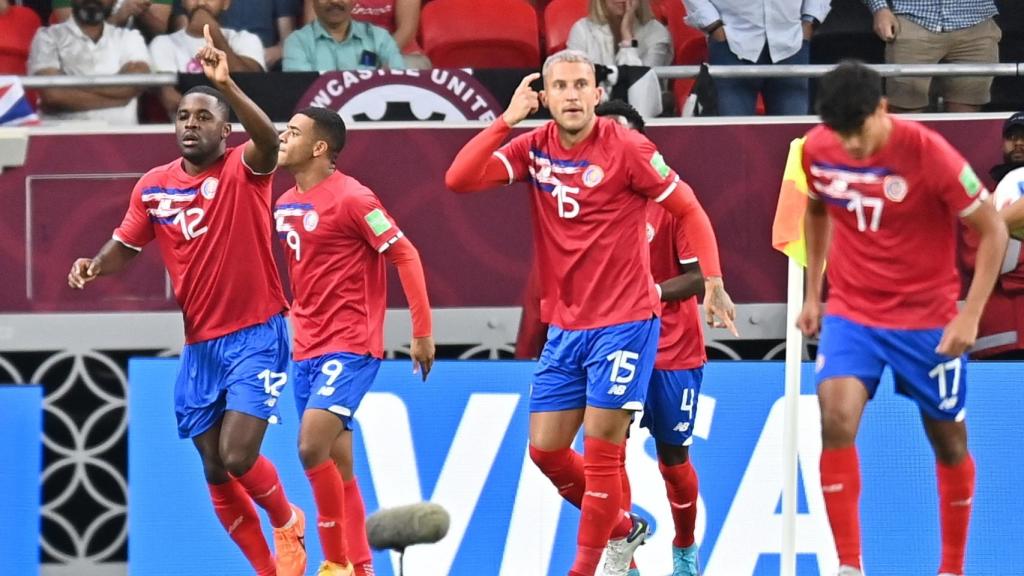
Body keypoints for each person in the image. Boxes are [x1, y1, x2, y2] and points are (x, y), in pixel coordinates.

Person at [445, 49, 736, 576]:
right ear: (546, 96)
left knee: (628, 457)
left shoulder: (627, 148)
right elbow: (459, 179)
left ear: (597, 94)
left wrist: (712, 281)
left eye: (582, 85)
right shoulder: (533, 147)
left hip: (627, 323)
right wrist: (507, 119)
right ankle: (625, 528)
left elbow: (689, 206)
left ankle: (620, 562)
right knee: (546, 453)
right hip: (567, 327)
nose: (572, 94)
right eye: (560, 86)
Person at [67, 26, 307, 576]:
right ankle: (269, 571)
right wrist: (96, 263)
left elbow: (269, 140)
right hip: (200, 345)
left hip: (257, 334)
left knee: (238, 456)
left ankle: (288, 519)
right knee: (215, 470)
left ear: (226, 130)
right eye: (183, 117)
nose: (191, 124)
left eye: (204, 117)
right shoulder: (153, 185)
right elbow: (126, 243)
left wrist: (229, 84)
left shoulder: (246, 170)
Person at [797, 60, 1007, 576]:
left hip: (927, 320)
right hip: (853, 311)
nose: (850, 145)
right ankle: (849, 566)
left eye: (859, 130)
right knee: (834, 417)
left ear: (883, 109)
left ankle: (952, 568)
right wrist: (813, 294)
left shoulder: (928, 153)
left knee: (949, 442)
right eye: (839, 132)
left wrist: (970, 315)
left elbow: (994, 231)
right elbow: (817, 210)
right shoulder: (818, 149)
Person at [274, 106, 436, 576]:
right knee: (339, 466)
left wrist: (421, 332)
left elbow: (406, 255)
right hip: (305, 346)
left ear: (320, 147)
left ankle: (337, 562)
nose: (283, 137)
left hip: (350, 345)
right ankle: (363, 568)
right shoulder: (285, 203)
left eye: (293, 132)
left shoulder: (354, 199)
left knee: (309, 449)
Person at [683, 0, 830, 115]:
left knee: (792, 139)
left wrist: (811, 20)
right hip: (731, 44)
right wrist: (714, 26)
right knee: (733, 139)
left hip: (792, 43)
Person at [28, 0, 152, 125]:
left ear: (114, 2)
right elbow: (53, 95)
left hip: (120, 140)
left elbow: (136, 84)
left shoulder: (129, 37)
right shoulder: (47, 37)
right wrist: (121, 98)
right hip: (62, 140)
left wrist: (69, 88)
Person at [864, 0, 1000, 112]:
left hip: (976, 21)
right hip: (911, 19)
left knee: (967, 112)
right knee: (906, 108)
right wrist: (880, 8)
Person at [962, 111, 1024, 358]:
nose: (1019, 142)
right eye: (1012, 136)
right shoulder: (980, 200)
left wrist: (1004, 243)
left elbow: (1001, 262)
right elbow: (978, 260)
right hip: (998, 341)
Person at [150, 0, 264, 117]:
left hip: (241, 129)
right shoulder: (163, 43)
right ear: (183, 2)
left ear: (226, 3)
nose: (201, 3)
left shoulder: (246, 40)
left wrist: (212, 33)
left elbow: (249, 87)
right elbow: (170, 98)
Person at [567, 0, 671, 118]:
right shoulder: (581, 30)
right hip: (592, 116)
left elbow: (640, 90)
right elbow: (576, 84)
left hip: (641, 118)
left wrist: (627, 37)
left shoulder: (657, 33)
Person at [283, 0, 404, 72]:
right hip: (319, 114)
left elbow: (398, 83)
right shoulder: (297, 42)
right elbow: (302, 91)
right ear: (313, 3)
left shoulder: (380, 38)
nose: (335, 1)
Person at [51, 0, 172, 39]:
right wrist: (120, 16)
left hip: (137, 52)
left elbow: (160, 31)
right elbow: (76, 37)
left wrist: (140, 11)